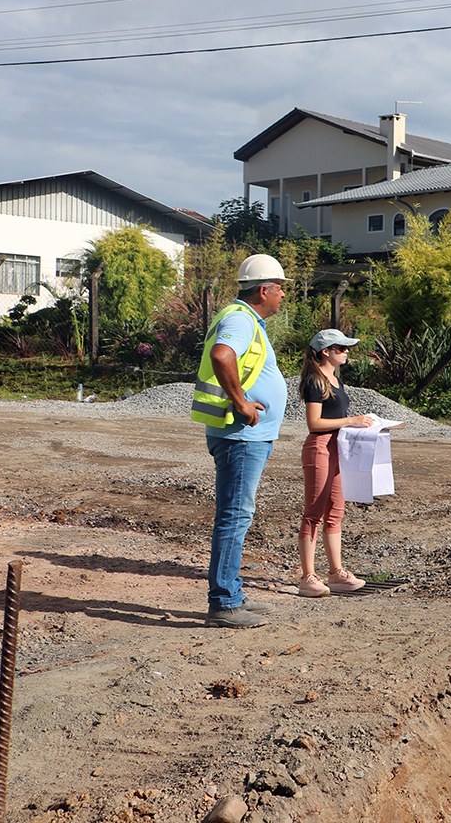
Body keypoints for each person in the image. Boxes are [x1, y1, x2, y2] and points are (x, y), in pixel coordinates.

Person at [191, 254, 292, 628]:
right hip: (241, 435)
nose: (283, 295)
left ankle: (232, 592)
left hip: (244, 435)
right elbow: (222, 355)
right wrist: (241, 402)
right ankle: (224, 603)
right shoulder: (240, 318)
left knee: (237, 514)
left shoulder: (247, 319)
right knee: (235, 515)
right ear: (263, 290)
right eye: (280, 288)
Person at [297, 329, 374, 597]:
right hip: (320, 447)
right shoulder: (314, 381)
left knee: (335, 511)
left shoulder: (335, 380)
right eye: (341, 348)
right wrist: (350, 421)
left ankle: (336, 573)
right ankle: (308, 577)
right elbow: (314, 423)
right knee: (314, 513)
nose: (346, 352)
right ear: (325, 351)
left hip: (338, 447)